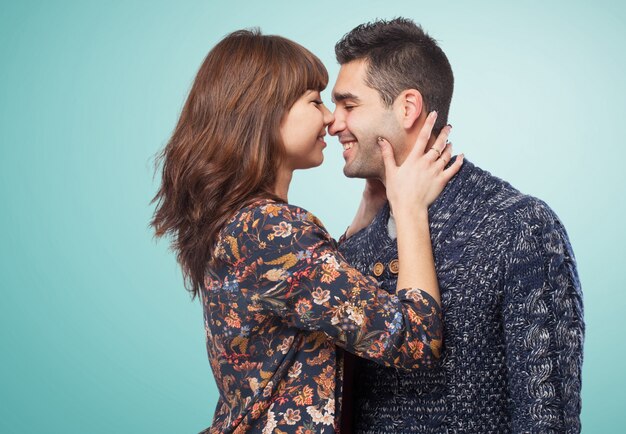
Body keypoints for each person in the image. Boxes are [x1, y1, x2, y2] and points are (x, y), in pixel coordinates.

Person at [150, 29, 463, 433]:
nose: (331, 119)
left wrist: (368, 209)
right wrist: (409, 209)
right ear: (263, 113)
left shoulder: (245, 224)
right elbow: (416, 339)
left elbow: (316, 297)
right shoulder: (273, 230)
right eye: (315, 101)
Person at [332, 18, 585, 433]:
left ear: (408, 108)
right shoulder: (357, 245)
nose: (334, 122)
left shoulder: (518, 227)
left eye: (349, 105)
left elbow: (547, 417)